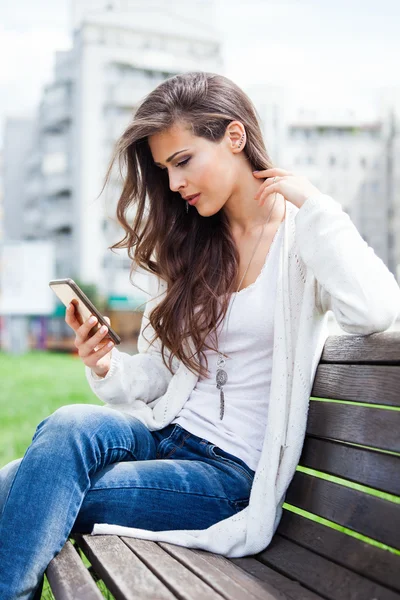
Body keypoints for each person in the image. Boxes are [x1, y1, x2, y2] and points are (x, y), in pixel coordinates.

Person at [1, 71, 399, 600]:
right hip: (167, 435)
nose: (173, 184)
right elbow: (165, 373)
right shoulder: (198, 246)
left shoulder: (303, 238)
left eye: (183, 161)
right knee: (69, 424)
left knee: (22, 485)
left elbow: (376, 311)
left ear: (234, 137)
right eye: (165, 169)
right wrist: (107, 366)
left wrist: (318, 206)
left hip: (226, 479)